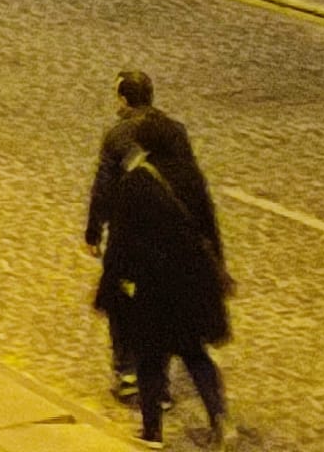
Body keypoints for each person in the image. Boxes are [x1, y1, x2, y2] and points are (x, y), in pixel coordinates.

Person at [91, 88, 235, 449]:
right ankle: (219, 417)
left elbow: (121, 244)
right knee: (195, 354)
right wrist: (220, 270)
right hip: (190, 281)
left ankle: (152, 432)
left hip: (153, 287)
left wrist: (109, 288)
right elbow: (209, 228)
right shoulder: (189, 177)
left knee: (150, 360)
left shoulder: (136, 183)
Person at [84, 67, 167, 399]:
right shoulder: (170, 131)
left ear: (124, 99)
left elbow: (102, 189)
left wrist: (93, 232)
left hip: (128, 233)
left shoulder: (117, 137)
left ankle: (128, 372)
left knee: (121, 301)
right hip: (163, 233)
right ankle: (158, 379)